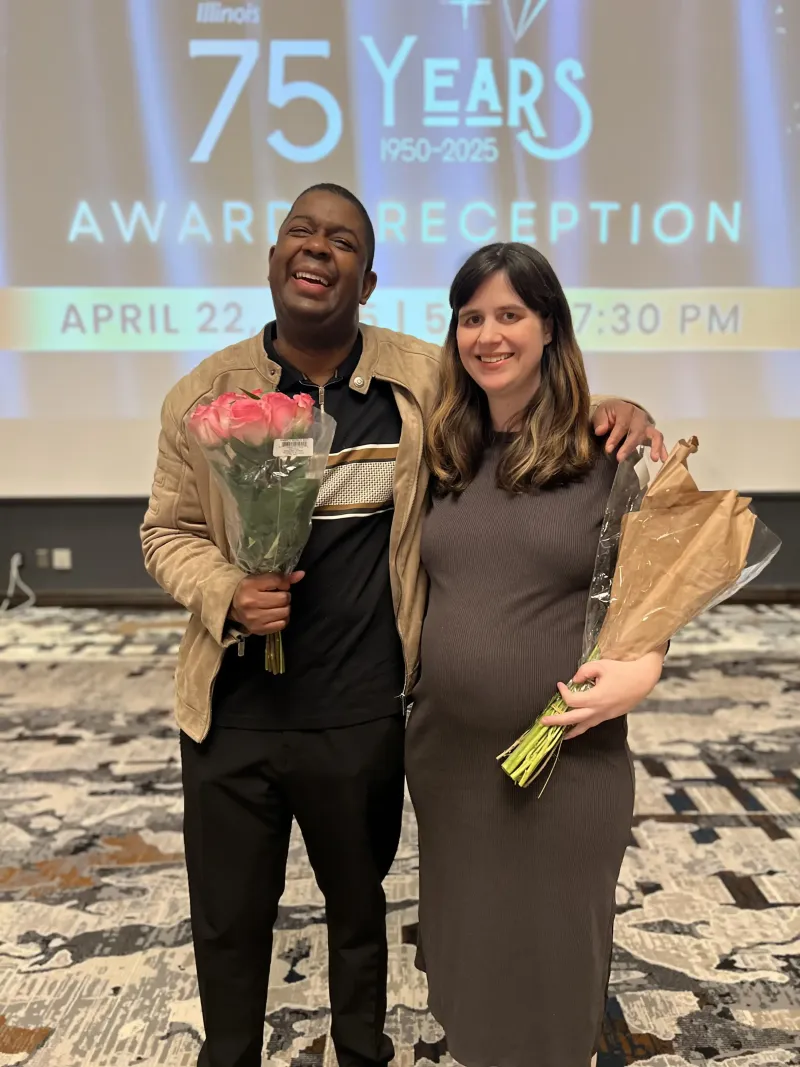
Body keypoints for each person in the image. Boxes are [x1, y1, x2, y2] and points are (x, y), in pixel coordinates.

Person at [140, 185, 664, 1067]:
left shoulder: (421, 380)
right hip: (230, 713)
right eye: (299, 233)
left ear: (369, 277)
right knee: (227, 924)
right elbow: (165, 531)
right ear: (271, 260)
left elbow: (524, 380)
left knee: (360, 920)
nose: (317, 249)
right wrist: (226, 588)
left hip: (364, 713)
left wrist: (621, 408)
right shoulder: (202, 395)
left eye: (341, 240)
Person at [404, 242, 668, 1067]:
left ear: (549, 325)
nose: (489, 334)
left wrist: (643, 669)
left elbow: (653, 596)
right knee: (470, 967)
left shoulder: (609, 454)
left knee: (556, 965)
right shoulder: (439, 451)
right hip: (449, 759)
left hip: (567, 762)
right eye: (471, 317)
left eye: (510, 314)